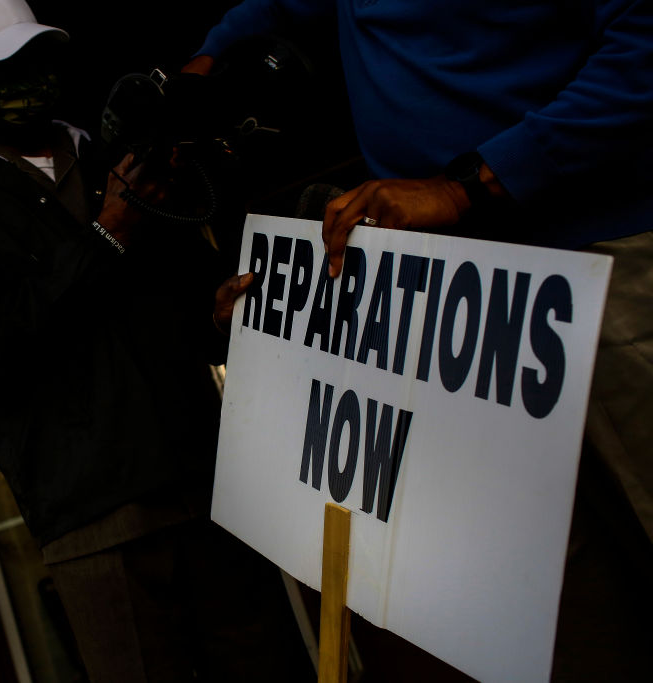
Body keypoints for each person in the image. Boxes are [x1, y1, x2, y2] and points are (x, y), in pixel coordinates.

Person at [186, 0, 653, 677]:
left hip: (596, 256)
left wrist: (474, 184)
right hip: (463, 315)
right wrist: (212, 56)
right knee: (559, 611)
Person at [0, 0, 312, 681]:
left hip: (209, 492)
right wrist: (103, 235)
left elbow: (184, 297)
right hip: (96, 526)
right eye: (5, 66)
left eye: (35, 57)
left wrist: (217, 314)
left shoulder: (110, 153)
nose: (29, 76)